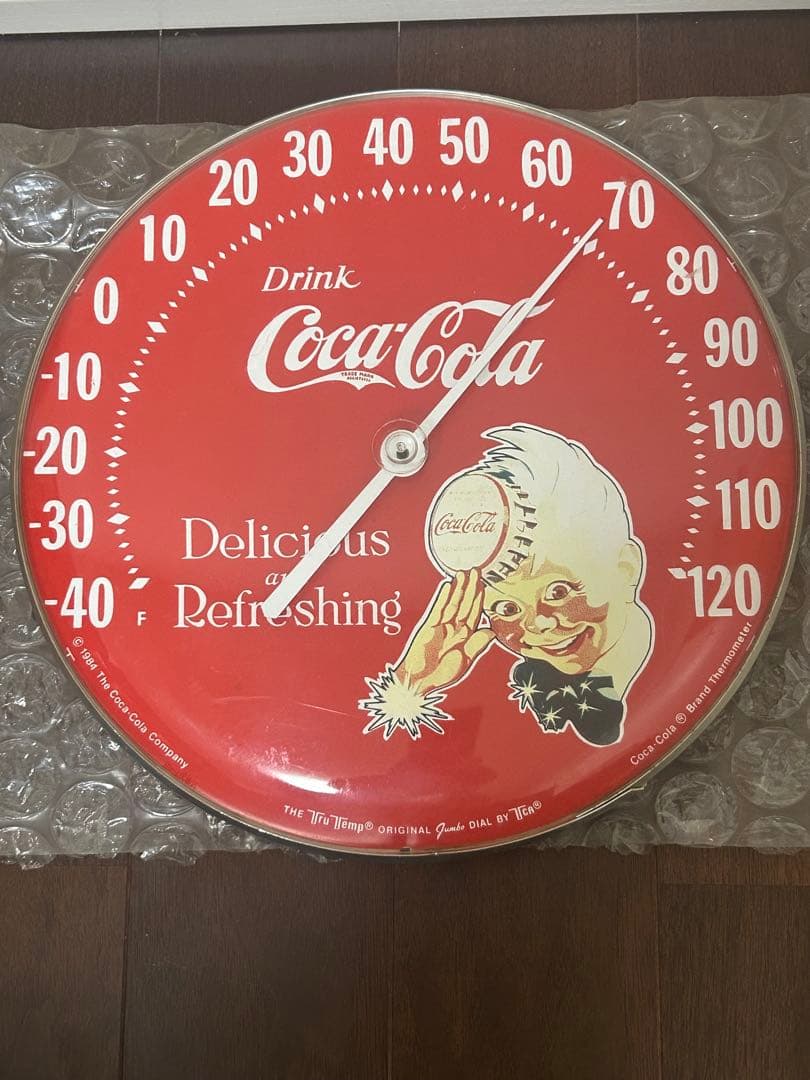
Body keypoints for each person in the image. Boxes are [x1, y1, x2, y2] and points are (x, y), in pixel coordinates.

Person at [359, 424, 653, 746]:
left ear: (626, 568)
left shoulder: (668, 671)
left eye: (558, 591)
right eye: (507, 608)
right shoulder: (527, 688)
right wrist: (411, 685)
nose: (539, 624)